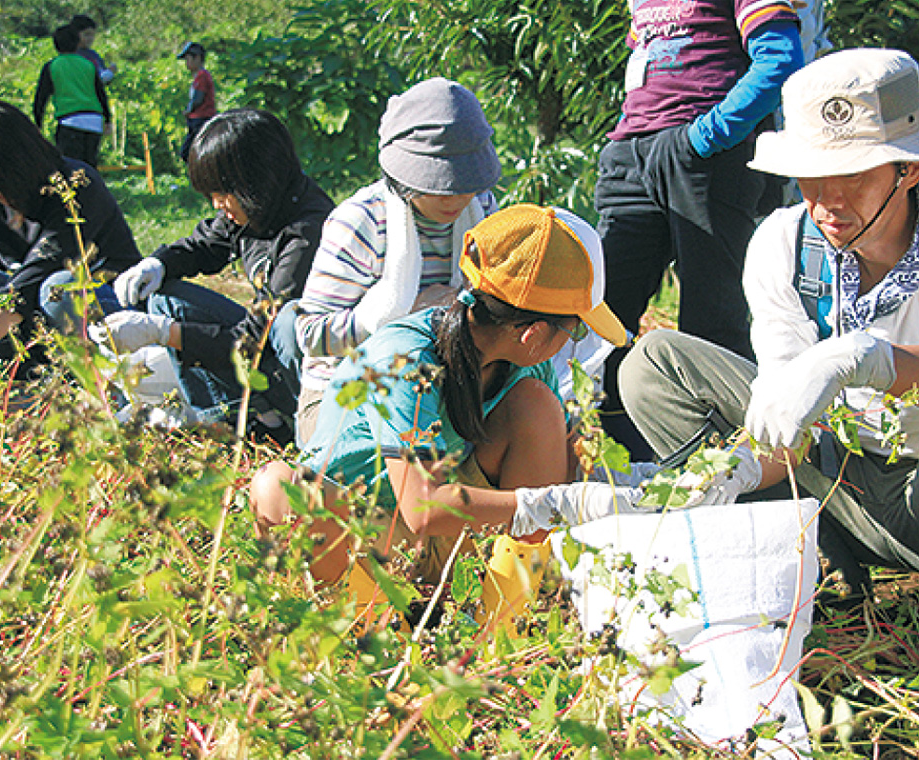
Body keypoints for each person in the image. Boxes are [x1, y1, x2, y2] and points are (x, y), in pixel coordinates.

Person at [618, 49, 919, 666]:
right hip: (846, 478)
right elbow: (788, 420)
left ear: (910, 169)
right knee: (653, 367)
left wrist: (867, 357)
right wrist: (712, 476)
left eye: (856, 176)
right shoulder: (783, 244)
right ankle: (809, 557)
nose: (830, 201)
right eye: (813, 176)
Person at [251, 204, 680, 590]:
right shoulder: (405, 361)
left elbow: (568, 459)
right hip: (365, 541)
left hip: (449, 539)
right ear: (533, 333)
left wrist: (650, 485)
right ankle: (373, 630)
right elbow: (422, 508)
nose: (574, 343)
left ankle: (505, 610)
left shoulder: (527, 363)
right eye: (575, 329)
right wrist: (543, 503)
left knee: (538, 407)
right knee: (277, 488)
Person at [593, 0, 804, 458]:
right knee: (599, 318)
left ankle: (722, 472)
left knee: (711, 326)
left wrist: (707, 136)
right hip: (632, 152)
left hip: (703, 154)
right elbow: (649, 64)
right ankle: (615, 457)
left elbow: (781, 58)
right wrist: (627, 140)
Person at [95, 109, 334, 444]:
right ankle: (231, 420)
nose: (217, 204)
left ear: (255, 182)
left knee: (285, 325)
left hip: (296, 371)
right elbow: (203, 245)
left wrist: (163, 333)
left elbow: (254, 342)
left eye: (222, 193)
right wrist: (158, 263)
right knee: (167, 298)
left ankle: (288, 427)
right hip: (264, 354)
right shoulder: (257, 209)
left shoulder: (307, 234)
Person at [292, 78, 500, 447]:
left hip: (440, 385)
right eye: (438, 185)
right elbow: (308, 334)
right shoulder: (363, 222)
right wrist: (395, 319)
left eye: (464, 182)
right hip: (345, 391)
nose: (455, 196)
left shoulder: (480, 209)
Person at [0, 99, 140, 385]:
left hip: (98, 312)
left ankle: (99, 381)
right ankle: (23, 374)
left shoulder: (73, 187)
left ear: (19, 163)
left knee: (57, 288)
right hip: (31, 321)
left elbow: (39, 273)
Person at [33, 23, 111, 168]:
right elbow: (100, 93)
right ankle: (92, 190)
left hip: (70, 120)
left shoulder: (53, 66)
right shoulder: (88, 65)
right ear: (77, 44)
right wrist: (107, 119)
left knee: (71, 168)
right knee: (90, 167)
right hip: (94, 119)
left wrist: (38, 123)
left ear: (56, 45)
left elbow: (41, 98)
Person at [176, 42, 216, 163]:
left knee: (187, 153)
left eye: (188, 59)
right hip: (199, 119)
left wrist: (188, 110)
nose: (186, 63)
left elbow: (198, 99)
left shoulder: (202, 76)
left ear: (197, 58)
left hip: (200, 119)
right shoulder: (200, 76)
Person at [71, 14, 118, 85]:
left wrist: (109, 73)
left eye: (92, 35)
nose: (90, 38)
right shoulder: (72, 56)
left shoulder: (94, 55)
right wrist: (109, 73)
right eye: (86, 34)